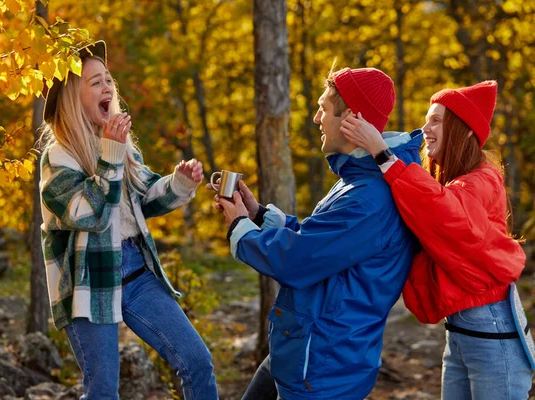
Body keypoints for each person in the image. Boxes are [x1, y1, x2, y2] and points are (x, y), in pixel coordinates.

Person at [211, 67, 423, 399]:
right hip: (307, 347)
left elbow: (297, 260)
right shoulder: (359, 182)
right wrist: (257, 214)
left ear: (352, 118)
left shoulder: (368, 199)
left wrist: (240, 228)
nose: (316, 118)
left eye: (323, 108)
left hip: (324, 367)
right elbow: (319, 242)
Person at [39, 41, 218, 400]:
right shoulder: (57, 158)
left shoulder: (121, 147)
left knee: (197, 360)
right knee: (103, 389)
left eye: (109, 80)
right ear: (74, 98)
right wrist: (110, 153)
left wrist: (180, 182)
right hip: (88, 281)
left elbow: (146, 198)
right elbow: (89, 215)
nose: (107, 87)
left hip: (136, 269)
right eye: (95, 82)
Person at [340, 80, 533, 399]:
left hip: (493, 335)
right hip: (461, 333)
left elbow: (445, 213)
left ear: (464, 130)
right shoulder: (458, 182)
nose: (424, 127)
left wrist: (382, 153)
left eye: (436, 120)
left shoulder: (480, 182)